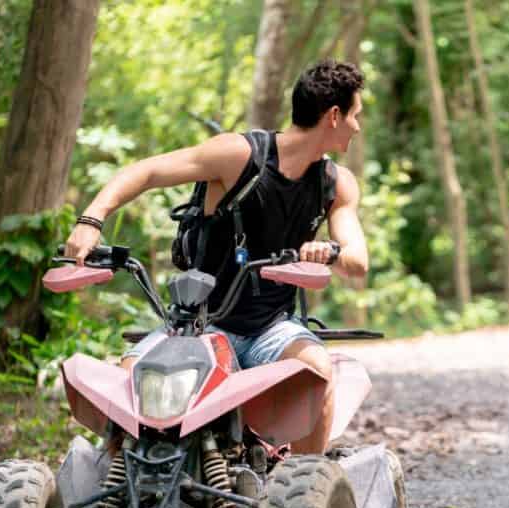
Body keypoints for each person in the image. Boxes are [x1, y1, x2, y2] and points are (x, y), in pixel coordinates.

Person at [63, 59, 369, 455]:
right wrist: (91, 218)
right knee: (126, 397)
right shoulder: (238, 154)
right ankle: (119, 495)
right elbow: (147, 172)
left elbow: (357, 261)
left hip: (271, 329)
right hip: (199, 325)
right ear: (333, 115)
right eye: (355, 115)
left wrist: (328, 253)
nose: (358, 127)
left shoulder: (336, 183)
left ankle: (307, 492)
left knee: (318, 374)